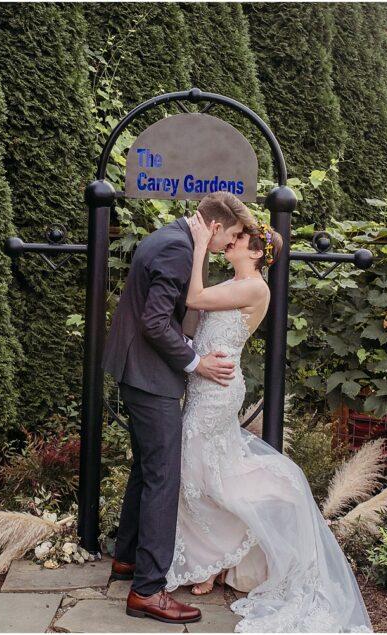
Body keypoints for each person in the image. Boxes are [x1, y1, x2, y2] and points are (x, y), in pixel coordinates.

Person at [163, 211, 373, 633]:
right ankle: (213, 559)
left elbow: (195, 300)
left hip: (218, 390)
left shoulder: (255, 287)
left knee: (200, 469)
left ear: (257, 252)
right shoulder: (233, 283)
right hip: (205, 382)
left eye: (240, 239)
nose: (233, 242)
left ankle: (211, 561)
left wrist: (201, 244)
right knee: (199, 469)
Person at [101, 191, 254, 624]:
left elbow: (162, 315)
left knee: (147, 469)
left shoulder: (174, 238)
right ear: (217, 226)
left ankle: (128, 557)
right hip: (150, 378)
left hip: (139, 372)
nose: (231, 247)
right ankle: (148, 591)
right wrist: (196, 362)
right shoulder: (176, 247)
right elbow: (154, 321)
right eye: (234, 237)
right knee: (165, 476)